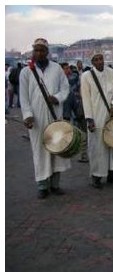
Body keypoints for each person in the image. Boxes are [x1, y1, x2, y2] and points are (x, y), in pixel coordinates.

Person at [19, 38, 70, 199]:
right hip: (37, 119)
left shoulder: (56, 69)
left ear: (47, 52)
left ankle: (55, 185)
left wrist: (57, 98)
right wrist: (27, 116)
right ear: (33, 51)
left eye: (42, 50)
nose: (39, 53)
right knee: (40, 151)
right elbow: (23, 97)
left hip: (55, 115)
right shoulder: (26, 71)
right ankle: (42, 185)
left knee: (56, 149)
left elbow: (65, 88)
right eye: (36, 50)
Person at [81, 49, 113, 189]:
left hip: (111, 115)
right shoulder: (86, 76)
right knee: (97, 146)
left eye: (101, 58)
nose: (100, 61)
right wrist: (89, 119)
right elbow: (86, 99)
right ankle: (96, 176)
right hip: (96, 116)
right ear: (92, 62)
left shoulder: (111, 72)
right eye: (96, 59)